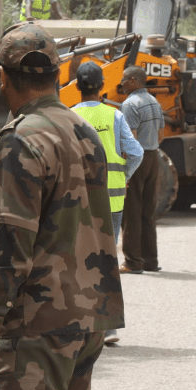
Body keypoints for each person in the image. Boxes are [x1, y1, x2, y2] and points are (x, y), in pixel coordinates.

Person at [0, 22, 124, 390]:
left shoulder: (22, 139)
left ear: (3, 77)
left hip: (39, 326)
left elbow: (13, 245)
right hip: (88, 320)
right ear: (60, 73)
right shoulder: (83, 130)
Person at [72, 61, 143, 345]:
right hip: (112, 200)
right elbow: (136, 153)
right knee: (107, 260)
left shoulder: (69, 117)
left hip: (79, 201)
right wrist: (123, 175)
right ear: (102, 87)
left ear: (77, 86)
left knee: (79, 258)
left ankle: (81, 324)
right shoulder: (114, 117)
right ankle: (109, 328)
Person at [119, 65, 165, 274]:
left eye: (125, 79)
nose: (121, 83)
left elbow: (131, 139)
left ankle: (132, 262)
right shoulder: (154, 102)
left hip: (138, 159)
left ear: (134, 81)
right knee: (148, 211)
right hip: (153, 157)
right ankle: (150, 260)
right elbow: (161, 134)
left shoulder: (130, 104)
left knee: (131, 211)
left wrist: (126, 168)